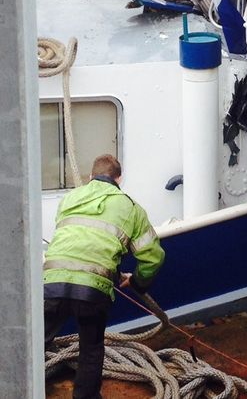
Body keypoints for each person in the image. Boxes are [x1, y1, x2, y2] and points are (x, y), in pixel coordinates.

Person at [43, 154, 165, 399]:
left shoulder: (69, 198)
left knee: (35, 345)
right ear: (119, 178)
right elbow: (153, 257)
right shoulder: (130, 207)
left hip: (51, 284)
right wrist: (138, 282)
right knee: (91, 348)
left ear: (90, 176)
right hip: (92, 290)